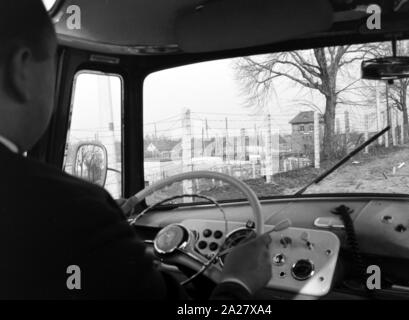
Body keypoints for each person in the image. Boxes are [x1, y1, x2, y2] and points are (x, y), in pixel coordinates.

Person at [0, 0, 272, 300]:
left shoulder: (72, 218)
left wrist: (109, 229)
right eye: (53, 63)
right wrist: (238, 283)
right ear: (20, 68)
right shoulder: (75, 216)